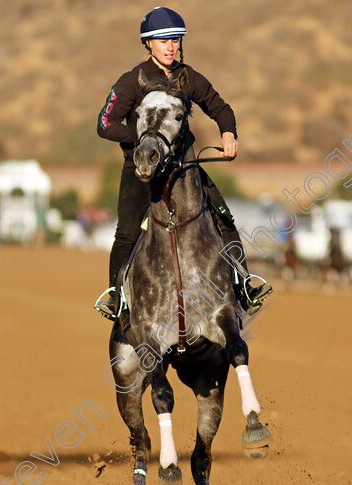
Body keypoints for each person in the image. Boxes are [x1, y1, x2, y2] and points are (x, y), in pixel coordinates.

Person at [94, 7, 270, 320]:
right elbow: (105, 124)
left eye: (175, 39)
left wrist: (228, 135)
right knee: (127, 232)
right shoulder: (130, 82)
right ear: (149, 44)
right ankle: (115, 296)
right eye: (163, 40)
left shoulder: (188, 78)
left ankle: (244, 284)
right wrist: (147, 141)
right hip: (142, 171)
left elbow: (221, 108)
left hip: (183, 171)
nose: (171, 46)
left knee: (223, 217)